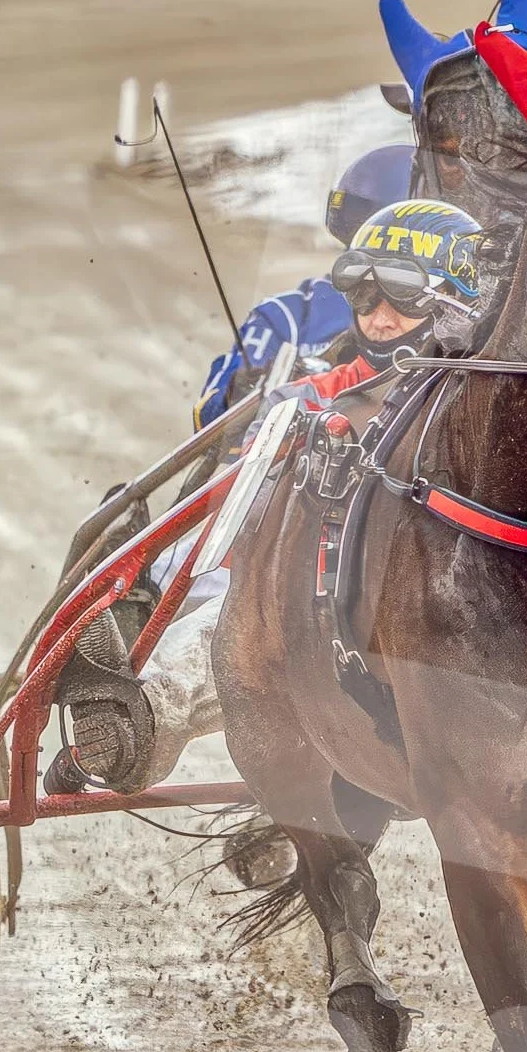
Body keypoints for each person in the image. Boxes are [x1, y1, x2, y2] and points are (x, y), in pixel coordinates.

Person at [47, 201, 484, 797]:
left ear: (456, 302)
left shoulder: (486, 405)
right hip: (292, 591)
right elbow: (241, 533)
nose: (378, 317)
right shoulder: (303, 401)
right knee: (248, 615)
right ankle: (136, 719)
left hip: (438, 597)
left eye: (402, 295)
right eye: (361, 293)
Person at [191, 143, 415, 429]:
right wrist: (243, 390)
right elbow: (210, 424)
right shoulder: (285, 317)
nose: (381, 318)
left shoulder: (456, 322)